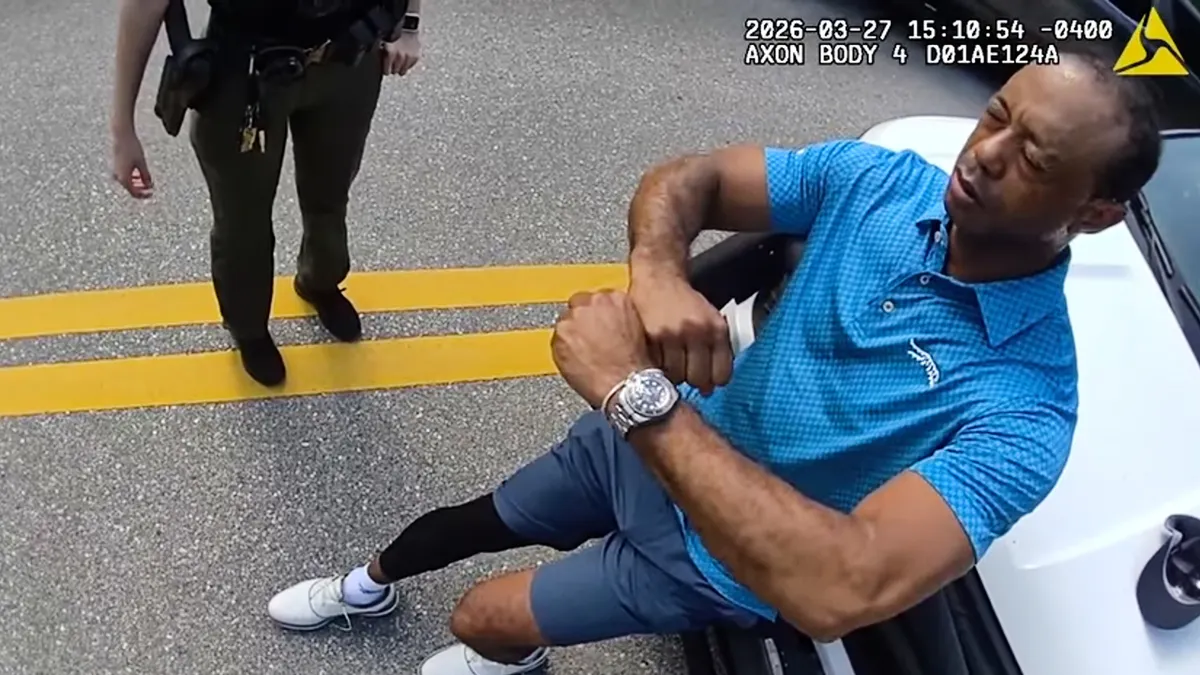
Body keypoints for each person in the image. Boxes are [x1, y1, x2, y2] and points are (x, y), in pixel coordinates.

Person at [265, 53, 1162, 675]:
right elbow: (687, 178)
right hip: (639, 441)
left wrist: (634, 392)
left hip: (712, 559)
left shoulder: (1026, 410)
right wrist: (656, 273)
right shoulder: (882, 181)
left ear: (1094, 212)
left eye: (1032, 157)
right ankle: (370, 586)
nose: (983, 156)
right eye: (996, 114)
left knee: (479, 616)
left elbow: (840, 586)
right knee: (485, 518)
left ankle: (517, 652)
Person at [109, 0, 423, 386]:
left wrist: (408, 24)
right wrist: (122, 129)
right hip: (246, 73)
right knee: (243, 220)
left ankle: (319, 280)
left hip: (348, 57)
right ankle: (248, 329)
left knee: (330, 194)